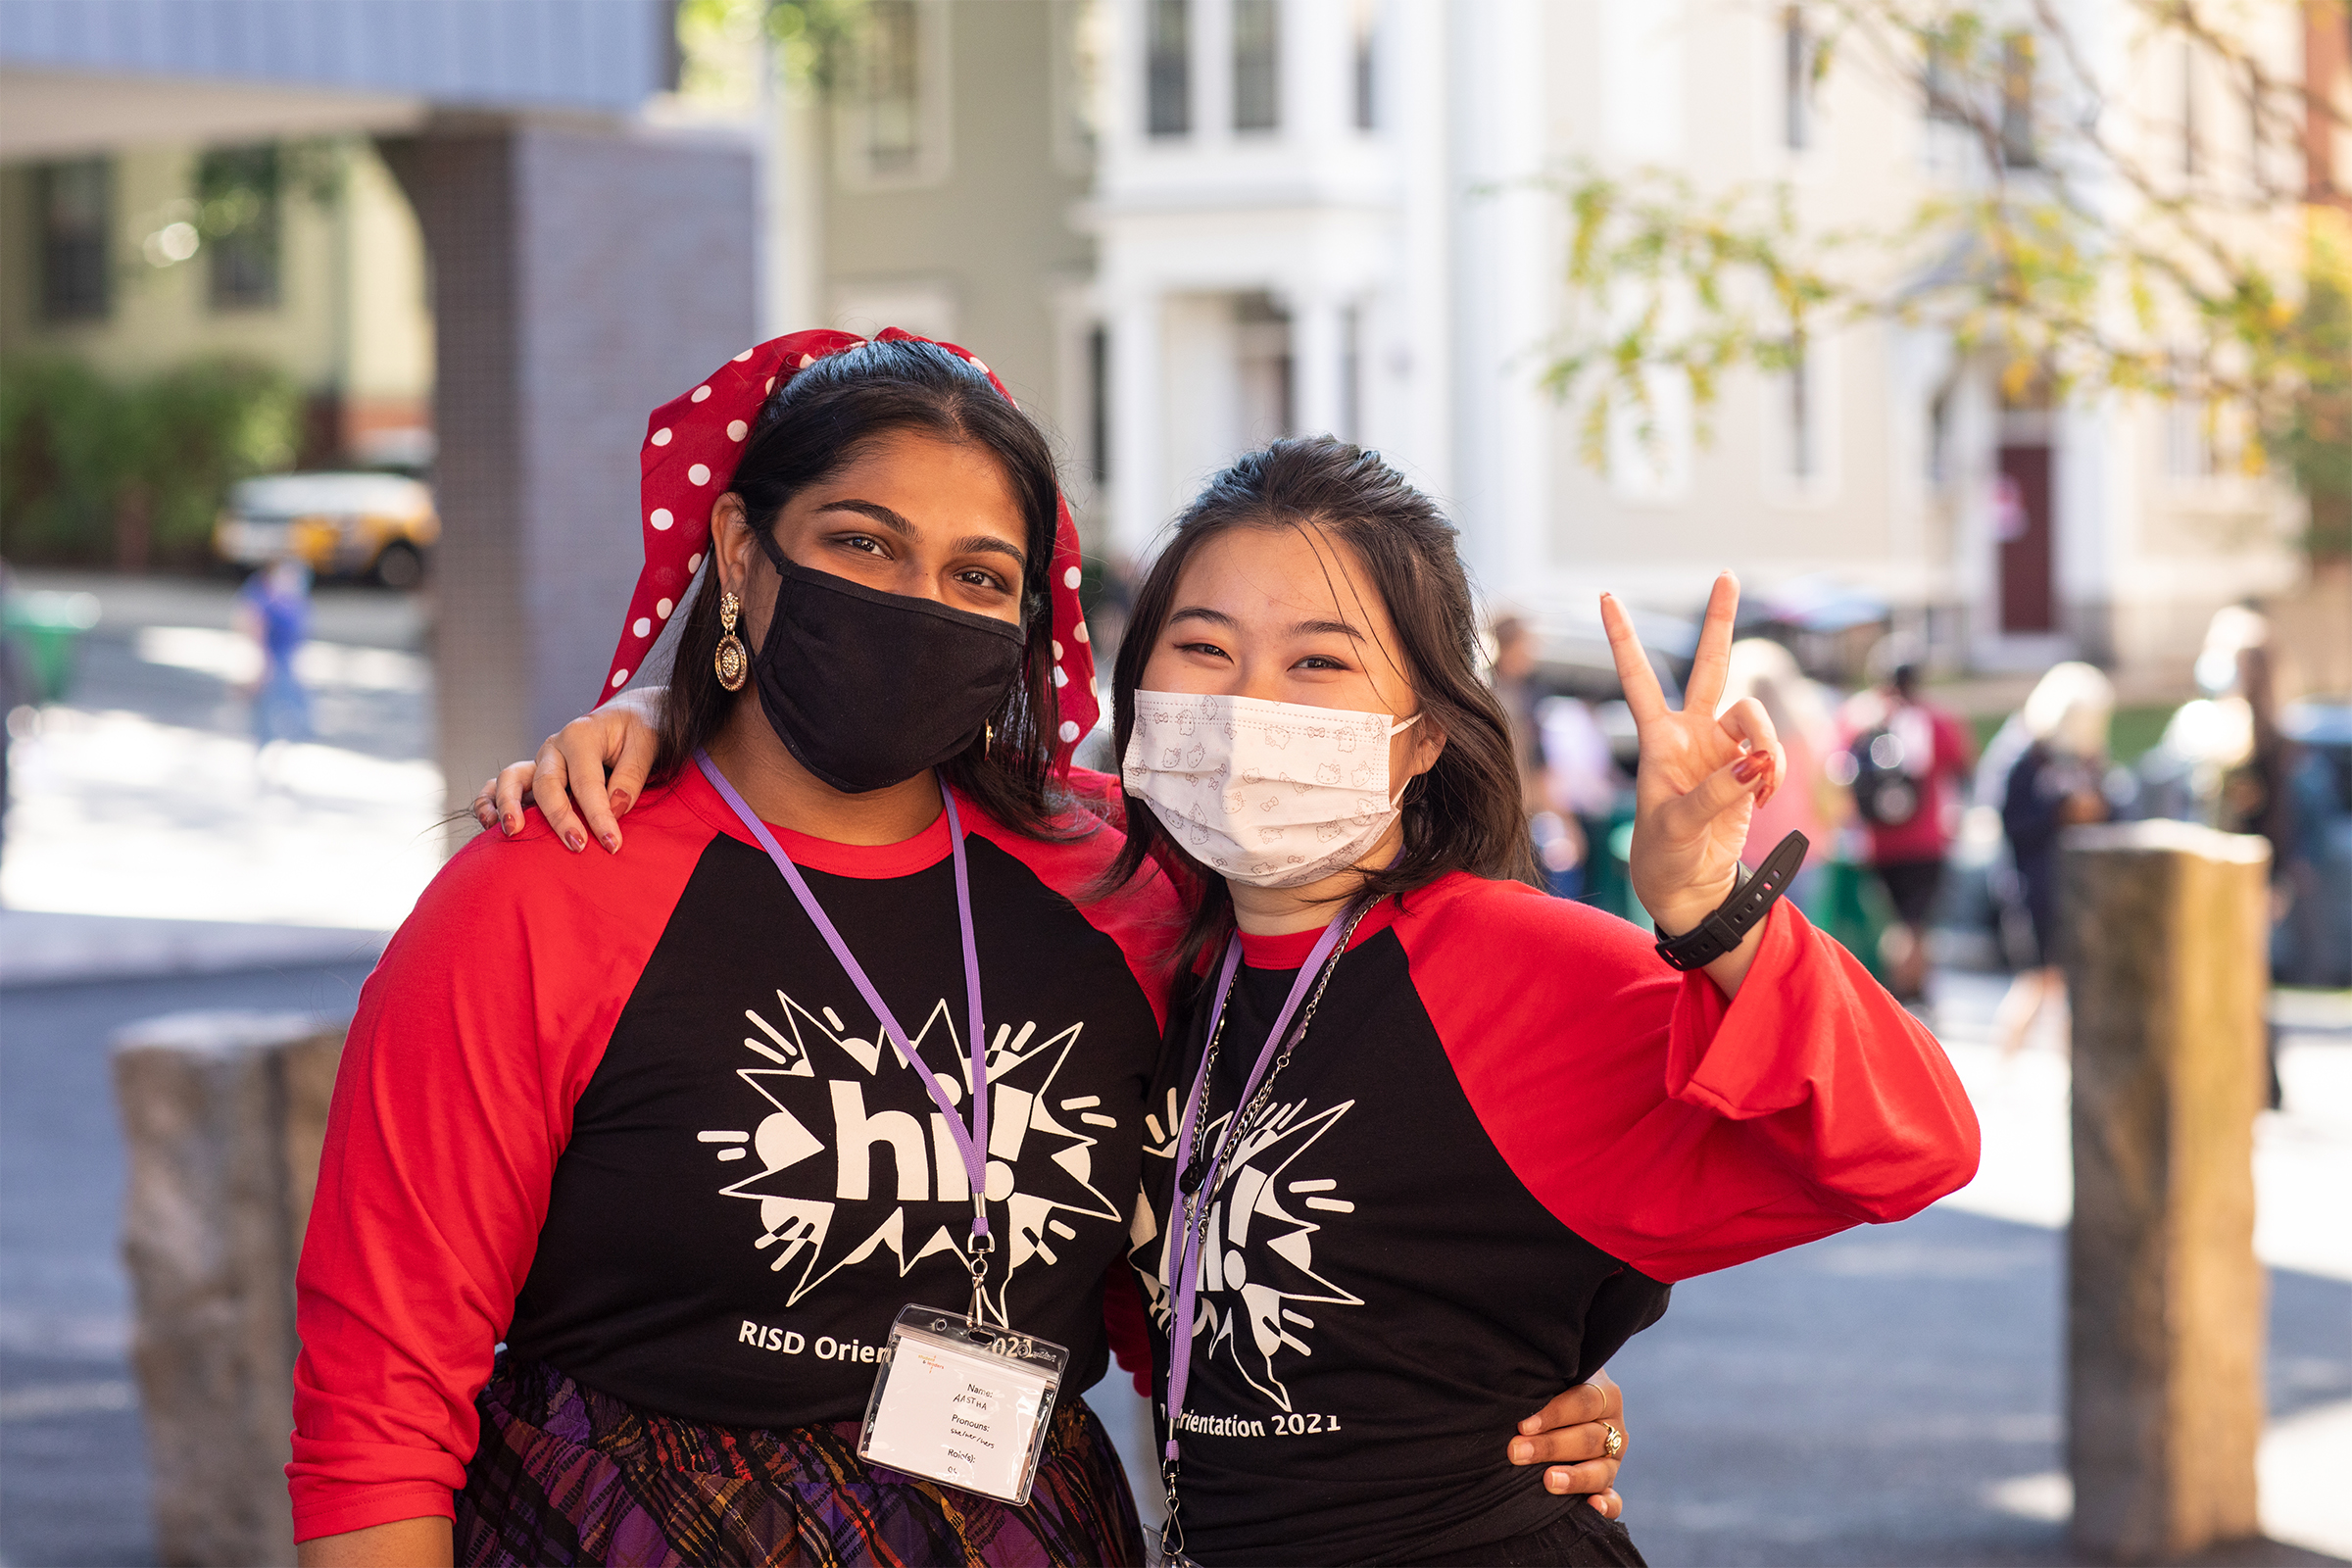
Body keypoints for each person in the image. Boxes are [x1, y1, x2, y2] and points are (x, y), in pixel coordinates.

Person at [304, 333, 1626, 1568]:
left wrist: (1501, 1396)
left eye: (976, 575)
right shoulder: (545, 888)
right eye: (862, 543)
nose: (914, 603)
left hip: (1028, 1526)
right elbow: (378, 1395)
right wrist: (658, 705)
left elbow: (1278, 1203)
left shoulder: (1131, 875)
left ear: (1022, 616)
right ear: (743, 550)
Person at [1837, 654, 1974, 1004]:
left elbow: (1839, 772)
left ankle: (1900, 988)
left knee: (1893, 921)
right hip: (1928, 840)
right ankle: (1910, 992)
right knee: (1916, 923)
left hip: (1877, 842)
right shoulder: (1935, 720)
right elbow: (1961, 766)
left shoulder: (1859, 719)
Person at [1992, 662, 2114, 1056]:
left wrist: (2094, 808)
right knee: (2037, 979)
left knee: (2063, 983)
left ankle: (2068, 1068)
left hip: (2075, 884)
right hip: (2033, 885)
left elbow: (2113, 805)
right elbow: (2011, 819)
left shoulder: (2085, 758)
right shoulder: (2023, 756)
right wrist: (2059, 810)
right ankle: (2003, 1062)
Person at [238, 556, 315, 765]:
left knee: (288, 707)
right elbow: (253, 626)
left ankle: (279, 749)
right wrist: (260, 663)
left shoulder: (292, 596)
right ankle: (264, 749)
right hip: (272, 661)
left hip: (286, 662)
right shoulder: (263, 596)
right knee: (269, 708)